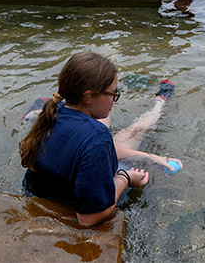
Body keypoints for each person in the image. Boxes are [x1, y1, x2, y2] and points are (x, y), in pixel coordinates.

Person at [20, 52, 182, 227]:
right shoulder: (98, 139)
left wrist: (152, 158)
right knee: (134, 131)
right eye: (113, 93)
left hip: (41, 193)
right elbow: (87, 218)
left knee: (101, 123)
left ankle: (35, 110)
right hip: (68, 206)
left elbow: (99, 148)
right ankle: (160, 102)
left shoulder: (55, 111)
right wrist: (125, 178)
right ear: (88, 97)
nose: (115, 98)